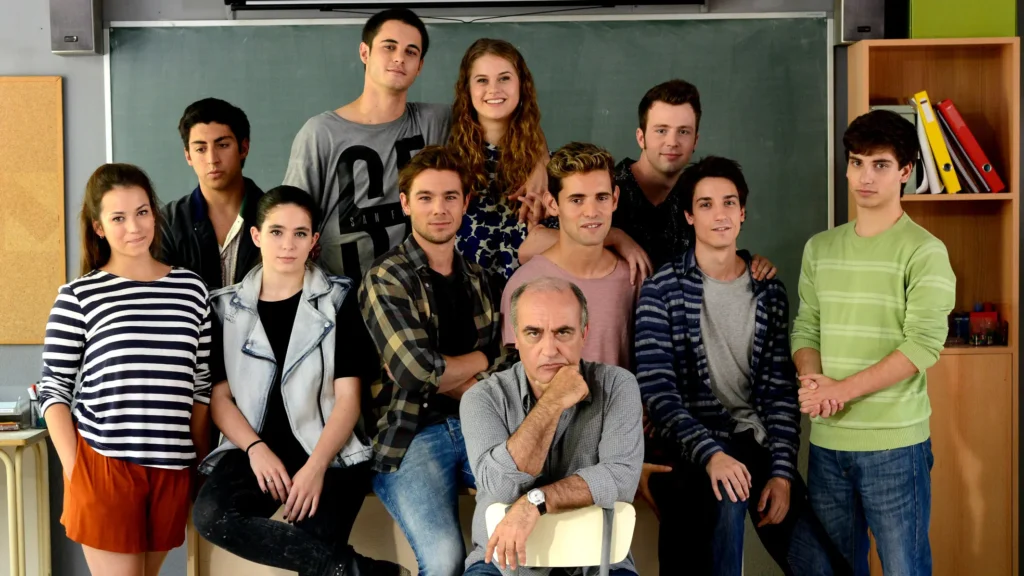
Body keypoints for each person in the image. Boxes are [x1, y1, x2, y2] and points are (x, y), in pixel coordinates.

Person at [635, 156, 847, 576]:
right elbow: (659, 393)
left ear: (743, 212)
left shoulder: (768, 292)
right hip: (691, 445)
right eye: (707, 204)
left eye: (729, 203)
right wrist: (711, 454)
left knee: (821, 565)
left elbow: (779, 392)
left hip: (756, 442)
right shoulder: (661, 290)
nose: (720, 214)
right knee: (724, 507)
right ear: (689, 216)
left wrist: (782, 473)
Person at [192, 186, 406, 576]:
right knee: (211, 516)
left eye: (300, 233)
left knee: (314, 550)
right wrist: (255, 449)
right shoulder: (223, 307)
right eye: (276, 232)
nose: (288, 244)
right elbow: (220, 399)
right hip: (253, 446)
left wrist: (315, 467)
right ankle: (366, 573)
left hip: (328, 448)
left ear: (313, 240)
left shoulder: (340, 299)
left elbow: (348, 400)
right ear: (256, 236)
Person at [791, 110, 955, 575]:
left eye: (880, 164)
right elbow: (806, 329)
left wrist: (841, 390)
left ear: (905, 171)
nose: (865, 177)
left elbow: (922, 346)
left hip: (894, 446)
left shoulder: (924, 251)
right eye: (856, 163)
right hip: (828, 443)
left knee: (905, 568)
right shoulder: (820, 249)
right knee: (837, 568)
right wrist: (813, 383)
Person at [39, 163, 215, 575]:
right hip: (105, 466)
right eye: (118, 218)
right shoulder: (79, 295)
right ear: (99, 228)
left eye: (141, 212)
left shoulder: (192, 290)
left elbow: (201, 388)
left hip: (172, 468)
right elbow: (54, 390)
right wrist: (77, 471)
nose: (134, 227)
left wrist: (198, 468)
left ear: (155, 213)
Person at [359, 146, 508, 576]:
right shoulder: (386, 276)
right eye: (425, 197)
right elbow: (415, 372)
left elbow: (509, 364)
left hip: (485, 429)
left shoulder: (485, 280)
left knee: (515, 539)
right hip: (411, 434)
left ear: (464, 203)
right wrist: (481, 359)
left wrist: (448, 372)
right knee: (444, 561)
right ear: (406, 203)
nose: (439, 209)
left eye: (449, 197)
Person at [461, 277, 644, 576]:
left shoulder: (617, 385)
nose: (549, 350)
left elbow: (621, 478)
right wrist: (554, 401)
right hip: (503, 566)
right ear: (515, 337)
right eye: (534, 333)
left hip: (597, 564)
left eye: (563, 332)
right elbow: (501, 486)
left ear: (584, 333)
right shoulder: (482, 397)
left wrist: (537, 501)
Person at [283, 8, 449, 281]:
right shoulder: (321, 133)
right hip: (339, 292)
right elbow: (289, 219)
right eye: (389, 47)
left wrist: (530, 171)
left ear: (419, 66)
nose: (399, 57)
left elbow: (502, 118)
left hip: (415, 291)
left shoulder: (435, 121)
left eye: (410, 51)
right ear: (364, 52)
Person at [612, 79, 776, 278]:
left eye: (683, 131)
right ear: (641, 137)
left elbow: (717, 249)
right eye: (661, 130)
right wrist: (614, 236)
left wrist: (750, 263)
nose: (672, 142)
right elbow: (572, 236)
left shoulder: (696, 193)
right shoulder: (606, 187)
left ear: (695, 140)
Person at [501, 142, 637, 369]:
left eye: (601, 198)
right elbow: (515, 377)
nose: (591, 212)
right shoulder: (524, 283)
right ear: (552, 204)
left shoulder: (633, 278)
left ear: (615, 199)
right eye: (577, 200)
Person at [447, 38, 551, 280]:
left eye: (504, 78)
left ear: (521, 84)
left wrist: (542, 162)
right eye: (482, 80)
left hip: (526, 289)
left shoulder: (544, 163)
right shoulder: (449, 152)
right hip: (463, 287)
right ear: (467, 88)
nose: (493, 89)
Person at [162, 97, 264, 289]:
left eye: (223, 145)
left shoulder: (274, 216)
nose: (212, 159)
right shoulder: (168, 222)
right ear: (188, 156)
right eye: (200, 149)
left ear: (243, 148)